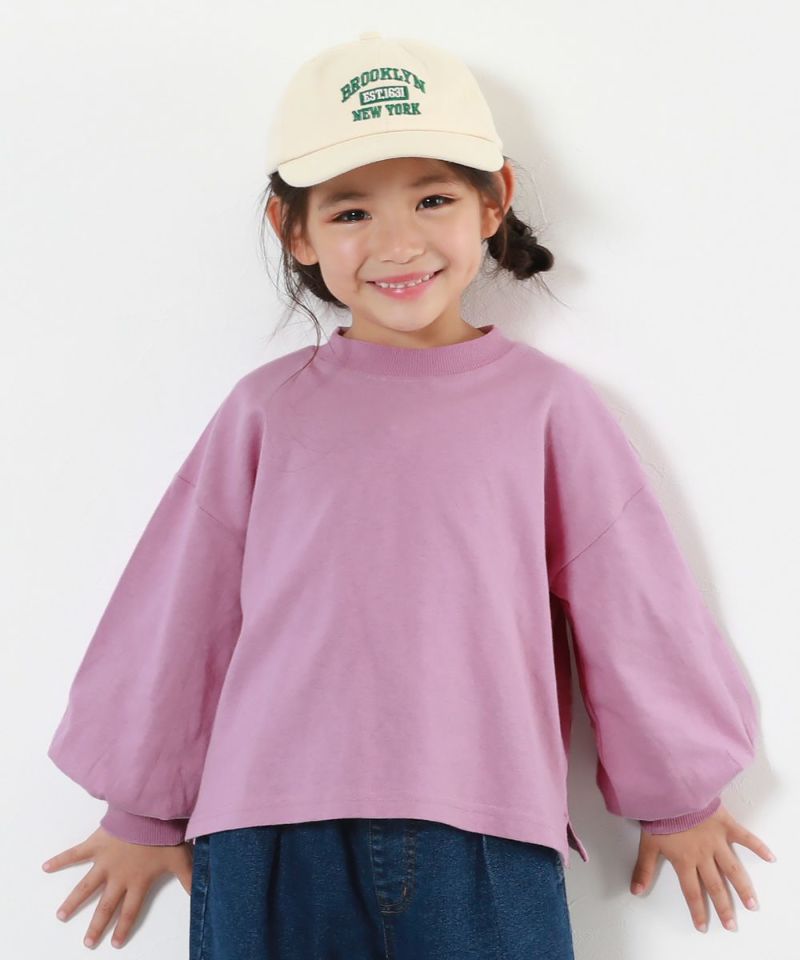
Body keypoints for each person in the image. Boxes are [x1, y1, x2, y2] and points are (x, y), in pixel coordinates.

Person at [42, 31, 774, 959]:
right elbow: (184, 603)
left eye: (433, 199)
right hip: (269, 829)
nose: (398, 244)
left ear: (494, 199)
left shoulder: (548, 409)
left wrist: (682, 798)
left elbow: (629, 598)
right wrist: (142, 809)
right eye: (351, 211)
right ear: (294, 230)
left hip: (485, 827)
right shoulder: (266, 411)